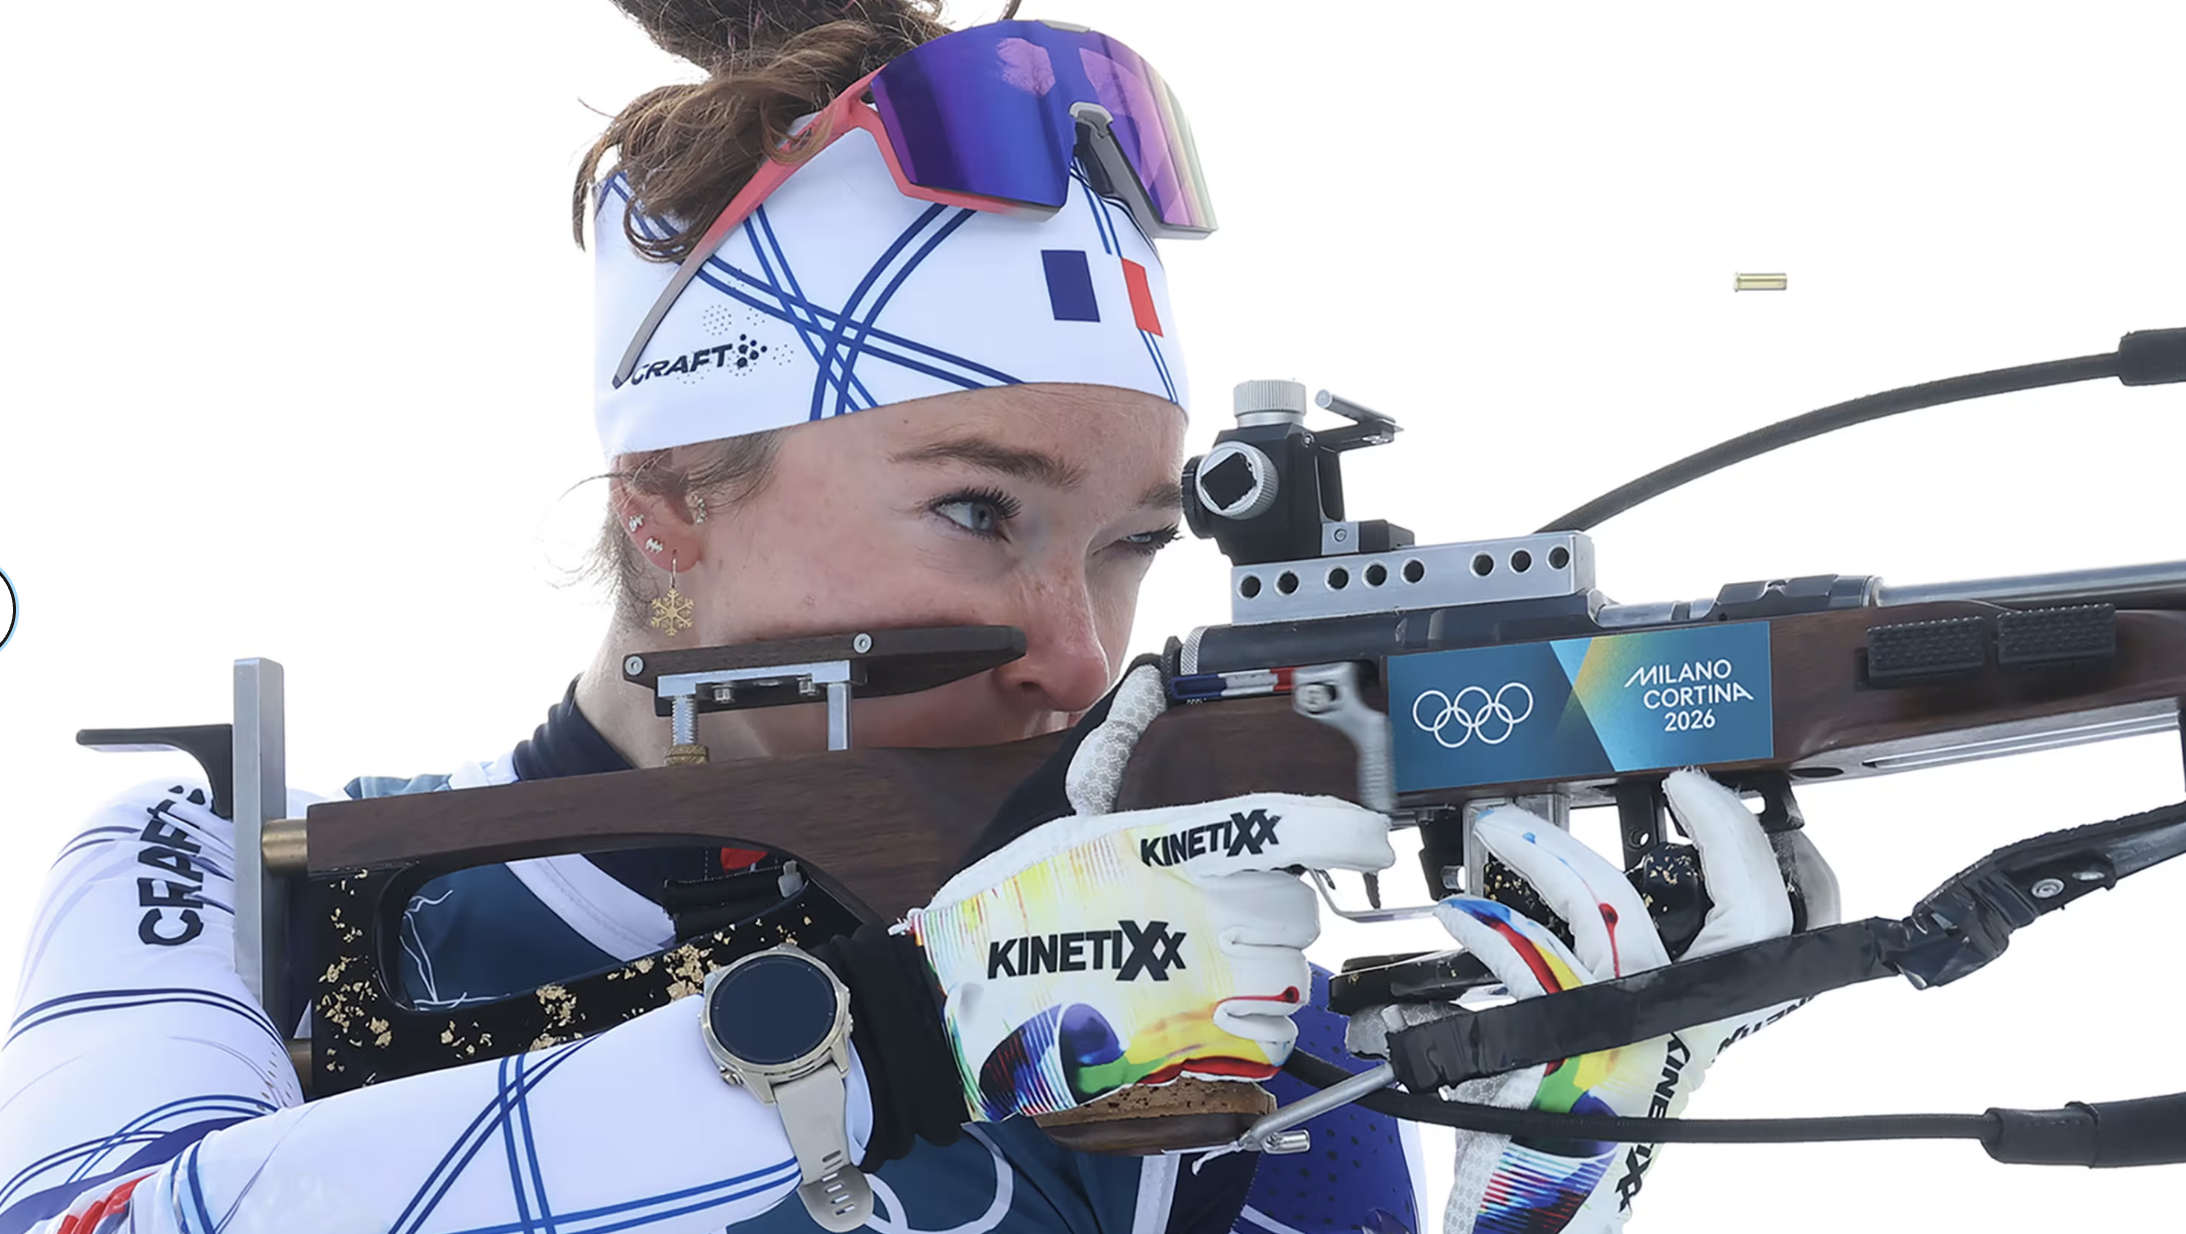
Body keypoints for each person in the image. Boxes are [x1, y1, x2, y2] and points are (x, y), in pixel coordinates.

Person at [0, 5, 1820, 1233]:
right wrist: (905, 1036)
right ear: (668, 508)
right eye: (978, 509)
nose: (1077, 647)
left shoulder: (1206, 968)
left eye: (1128, 544)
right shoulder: (243, 867)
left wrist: (1553, 1151)